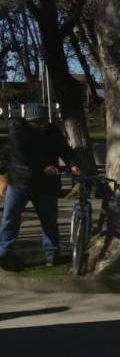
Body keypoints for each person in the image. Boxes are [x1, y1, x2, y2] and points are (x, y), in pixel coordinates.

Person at [0, 105, 79, 268]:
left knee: (49, 221)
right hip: (20, 183)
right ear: (29, 122)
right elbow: (23, 157)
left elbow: (64, 149)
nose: (42, 126)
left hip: (45, 185)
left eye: (44, 122)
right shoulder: (19, 132)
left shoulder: (53, 132)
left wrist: (72, 164)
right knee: (10, 219)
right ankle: (5, 254)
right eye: (37, 123)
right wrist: (43, 168)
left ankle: (52, 254)